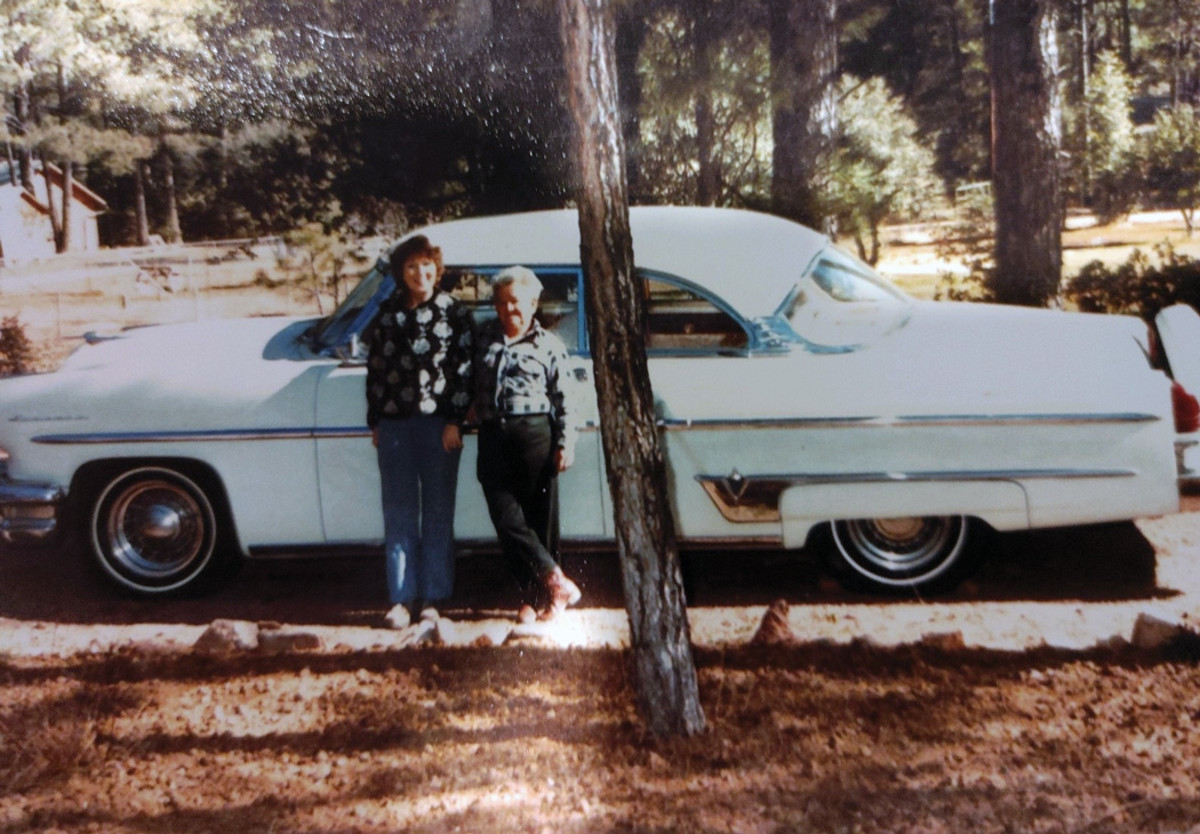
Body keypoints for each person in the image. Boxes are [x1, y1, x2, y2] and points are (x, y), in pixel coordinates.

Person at [366, 235, 474, 629]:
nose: (419, 273)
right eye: (411, 266)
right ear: (401, 272)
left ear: (437, 268)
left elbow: (464, 370)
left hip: (438, 428)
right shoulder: (387, 313)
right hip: (394, 427)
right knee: (398, 512)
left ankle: (433, 598)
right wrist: (376, 420)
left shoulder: (454, 313)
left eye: (426, 264)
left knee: (438, 513)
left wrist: (454, 421)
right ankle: (400, 599)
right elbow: (375, 371)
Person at [474, 266, 582, 621]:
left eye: (517, 303)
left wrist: (567, 442)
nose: (509, 311)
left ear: (534, 303)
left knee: (540, 519)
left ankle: (543, 599)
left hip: (535, 435)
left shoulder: (549, 345)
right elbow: (466, 380)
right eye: (501, 303)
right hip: (493, 435)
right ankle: (551, 580)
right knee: (505, 516)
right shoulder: (483, 338)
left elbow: (566, 397)